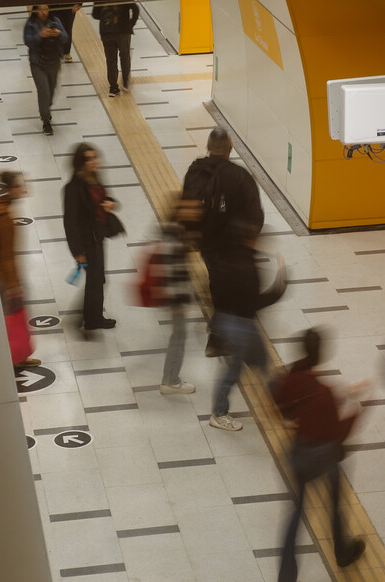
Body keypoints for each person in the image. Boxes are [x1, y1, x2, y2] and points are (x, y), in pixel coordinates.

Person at [182, 127, 266, 431]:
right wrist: (248, 239)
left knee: (216, 282)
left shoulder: (195, 171)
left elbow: (186, 208)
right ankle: (223, 335)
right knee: (229, 289)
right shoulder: (241, 177)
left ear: (208, 146)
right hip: (234, 250)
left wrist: (195, 238)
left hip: (208, 246)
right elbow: (256, 217)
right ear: (230, 147)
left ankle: (218, 335)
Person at [272, 329, 367, 580]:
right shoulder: (323, 392)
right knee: (335, 501)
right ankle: (343, 551)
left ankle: (287, 573)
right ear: (321, 353)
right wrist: (357, 408)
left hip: (297, 454)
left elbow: (284, 402)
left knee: (295, 513)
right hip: (322, 458)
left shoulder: (292, 377)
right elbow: (336, 433)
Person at [63, 143, 119, 333]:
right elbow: (70, 223)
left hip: (98, 235)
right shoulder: (72, 188)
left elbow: (105, 197)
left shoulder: (94, 178)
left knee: (97, 279)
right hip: (87, 241)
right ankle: (90, 319)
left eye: (95, 157)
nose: (95, 161)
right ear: (80, 163)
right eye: (89, 159)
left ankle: (91, 317)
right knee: (96, 280)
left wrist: (111, 203)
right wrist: (77, 251)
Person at [0, 171, 40, 369]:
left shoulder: (0, 207)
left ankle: (17, 356)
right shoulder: (4, 218)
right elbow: (7, 255)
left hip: (2, 274)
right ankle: (14, 358)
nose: (23, 189)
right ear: (10, 190)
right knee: (13, 320)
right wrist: (14, 284)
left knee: (13, 319)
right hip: (5, 277)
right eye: (19, 186)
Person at [151, 193, 198, 394]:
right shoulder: (173, 235)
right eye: (188, 208)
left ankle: (170, 378)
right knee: (178, 337)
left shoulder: (177, 231)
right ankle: (170, 380)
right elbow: (170, 271)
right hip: (175, 299)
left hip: (175, 297)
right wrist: (177, 302)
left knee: (178, 336)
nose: (193, 212)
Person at [23, 5, 68, 135]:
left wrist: (58, 33)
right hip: (38, 63)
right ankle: (45, 121)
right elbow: (27, 41)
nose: (44, 13)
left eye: (46, 9)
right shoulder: (30, 24)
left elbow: (65, 38)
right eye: (41, 10)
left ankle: (45, 109)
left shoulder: (55, 21)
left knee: (51, 91)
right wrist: (40, 35)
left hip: (53, 61)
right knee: (43, 91)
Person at [92, 1, 140, 95]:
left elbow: (95, 14)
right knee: (125, 57)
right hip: (123, 31)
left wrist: (106, 19)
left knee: (111, 60)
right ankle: (125, 83)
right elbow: (135, 9)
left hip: (106, 32)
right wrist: (130, 24)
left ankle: (113, 87)